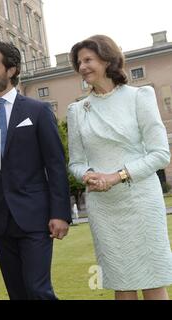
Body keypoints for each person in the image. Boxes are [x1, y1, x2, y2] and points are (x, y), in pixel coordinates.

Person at [0, 41, 71, 300]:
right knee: (17, 293)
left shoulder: (38, 111)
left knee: (38, 289)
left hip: (35, 217)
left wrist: (60, 213)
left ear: (12, 70)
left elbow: (55, 165)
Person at [68, 35, 172, 300]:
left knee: (152, 279)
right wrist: (88, 175)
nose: (82, 67)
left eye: (88, 60)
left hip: (141, 202)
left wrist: (117, 176)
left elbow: (160, 153)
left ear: (107, 60)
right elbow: (76, 163)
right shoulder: (77, 111)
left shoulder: (140, 97)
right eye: (79, 62)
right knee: (120, 281)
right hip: (104, 209)